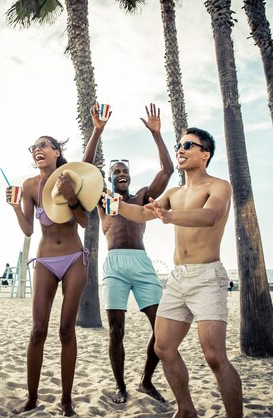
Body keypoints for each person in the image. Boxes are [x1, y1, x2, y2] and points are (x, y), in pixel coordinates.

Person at [116, 127, 242, 417]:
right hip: (177, 279)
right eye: (179, 145)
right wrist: (113, 204)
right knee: (164, 347)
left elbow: (211, 216)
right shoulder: (174, 192)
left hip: (207, 277)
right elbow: (141, 213)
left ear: (205, 154)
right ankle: (186, 410)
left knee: (214, 356)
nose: (181, 150)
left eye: (189, 145)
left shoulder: (218, 186)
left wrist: (170, 216)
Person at [82, 103, 173, 404]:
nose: (121, 173)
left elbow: (167, 171)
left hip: (142, 263)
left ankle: (146, 381)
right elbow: (83, 170)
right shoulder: (102, 198)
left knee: (162, 329)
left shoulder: (141, 196)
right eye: (116, 171)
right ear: (108, 178)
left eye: (125, 171)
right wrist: (98, 130)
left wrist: (157, 135)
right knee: (116, 331)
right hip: (115, 265)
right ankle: (121, 387)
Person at [6, 137, 101, 416]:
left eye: (45, 144)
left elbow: (84, 221)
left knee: (65, 330)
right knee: (37, 331)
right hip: (45, 261)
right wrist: (14, 206)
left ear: (57, 152)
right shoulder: (29, 186)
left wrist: (71, 196)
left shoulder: (70, 175)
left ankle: (67, 401)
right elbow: (27, 230)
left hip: (73, 258)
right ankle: (32, 398)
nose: (38, 148)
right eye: (34, 146)